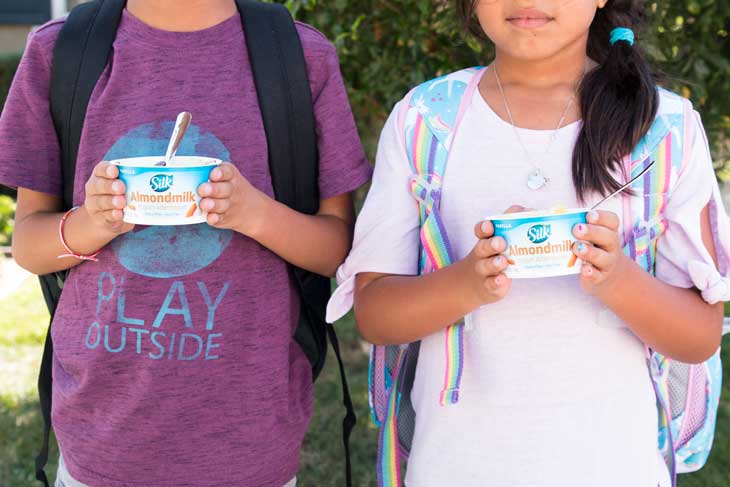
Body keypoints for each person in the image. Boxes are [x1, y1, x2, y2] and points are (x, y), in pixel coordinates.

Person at [326, 1, 728, 486]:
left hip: (616, 466)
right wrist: (467, 283)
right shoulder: (425, 121)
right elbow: (374, 314)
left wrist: (618, 279)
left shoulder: (665, 131)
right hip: (453, 468)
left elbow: (699, 336)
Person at [0, 0, 371, 486]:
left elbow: (335, 250)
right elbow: (28, 244)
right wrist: (95, 222)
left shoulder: (297, 56)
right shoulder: (62, 52)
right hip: (102, 441)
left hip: (252, 440)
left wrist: (253, 213)